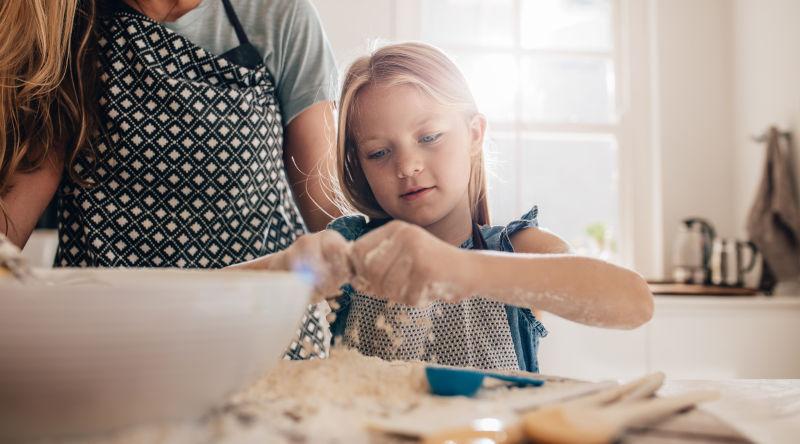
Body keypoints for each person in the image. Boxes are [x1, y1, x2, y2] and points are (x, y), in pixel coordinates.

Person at [235, 42, 654, 371]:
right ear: (359, 166)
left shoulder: (514, 246)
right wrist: (289, 272)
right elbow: (205, 294)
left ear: (474, 135)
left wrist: (460, 270)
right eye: (379, 153)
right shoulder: (352, 252)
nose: (407, 166)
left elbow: (634, 302)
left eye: (430, 137)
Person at [0, 0, 341, 359]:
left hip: (261, 345)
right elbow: (11, 222)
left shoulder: (278, 13)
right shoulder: (68, 25)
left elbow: (328, 211)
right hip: (111, 351)